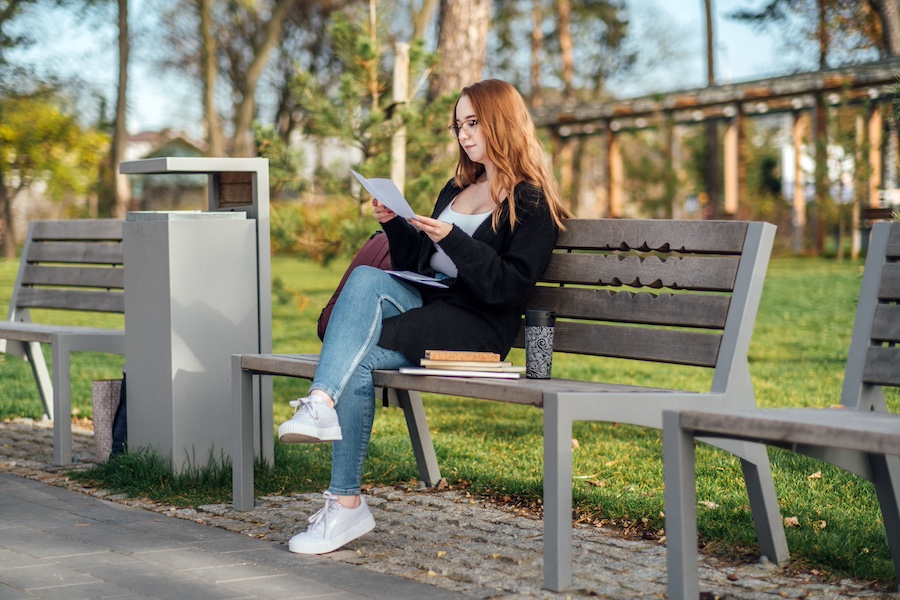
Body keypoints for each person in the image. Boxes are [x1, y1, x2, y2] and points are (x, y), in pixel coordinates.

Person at [277, 79, 571, 555]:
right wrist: (395, 224)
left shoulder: (531, 200)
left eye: (473, 122)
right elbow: (415, 266)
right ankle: (341, 487)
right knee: (367, 286)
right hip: (430, 304)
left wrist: (453, 238)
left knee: (355, 353)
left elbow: (508, 287)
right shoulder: (456, 188)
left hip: (478, 327)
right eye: (459, 125)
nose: (464, 134)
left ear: (502, 121)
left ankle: (335, 465)